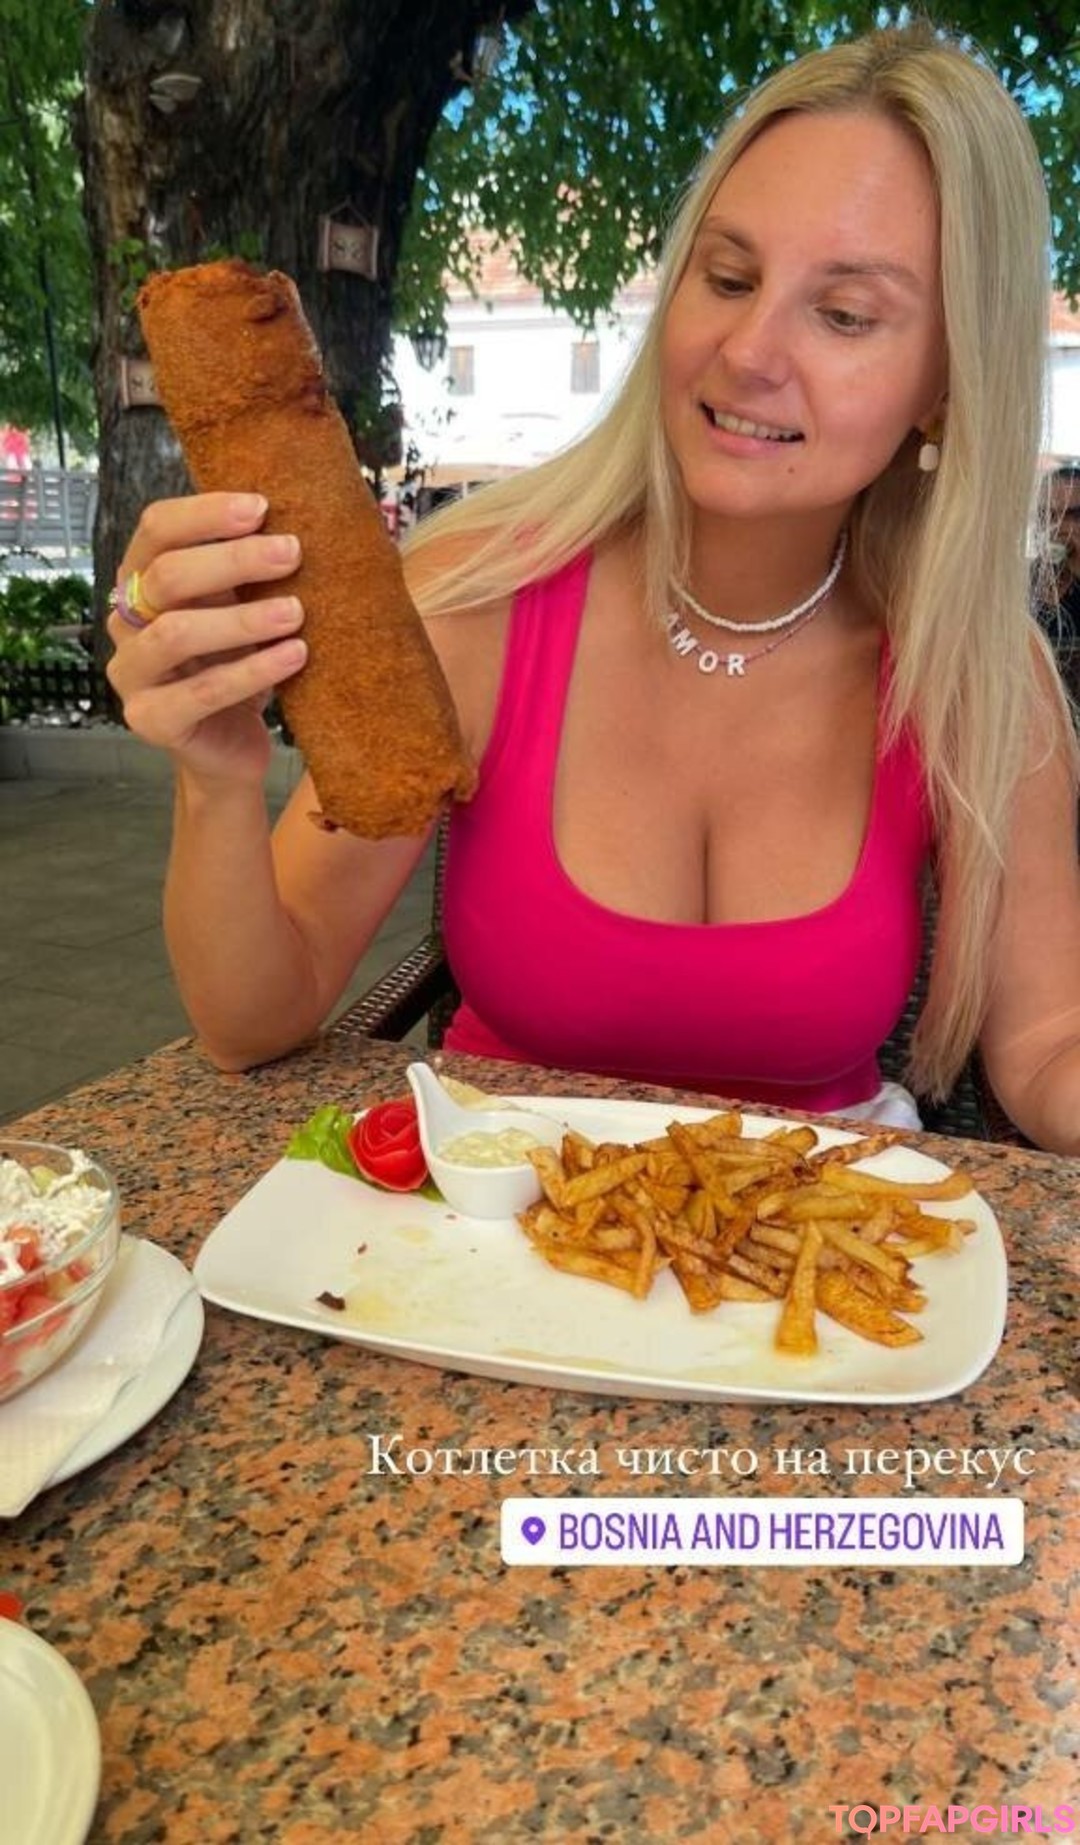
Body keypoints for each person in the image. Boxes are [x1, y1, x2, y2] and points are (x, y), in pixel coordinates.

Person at [106, 22, 1080, 1155]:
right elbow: (252, 1022)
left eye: (846, 315)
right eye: (727, 277)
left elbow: (1046, 1042)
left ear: (947, 385)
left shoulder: (976, 676)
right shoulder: (478, 594)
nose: (748, 351)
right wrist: (216, 777)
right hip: (491, 1228)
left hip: (817, 1244)